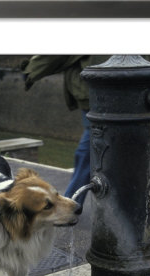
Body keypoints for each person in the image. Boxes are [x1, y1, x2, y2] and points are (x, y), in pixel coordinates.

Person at [21, 55, 106, 205]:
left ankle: (69, 204)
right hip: (124, 87)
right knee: (113, 148)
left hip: (97, 91)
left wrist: (31, 70)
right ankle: (143, 210)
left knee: (88, 152)